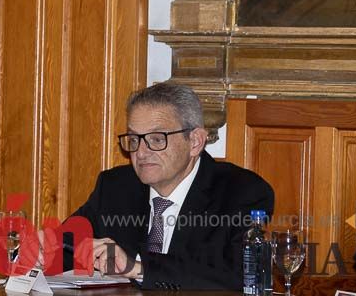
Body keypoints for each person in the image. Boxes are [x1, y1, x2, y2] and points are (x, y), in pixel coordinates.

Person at [69, 82, 275, 290]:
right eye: (134, 139)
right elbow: (68, 244)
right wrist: (45, 250)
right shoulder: (115, 186)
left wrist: (138, 268)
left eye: (157, 139)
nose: (140, 153)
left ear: (195, 142)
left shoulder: (242, 193)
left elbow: (241, 278)